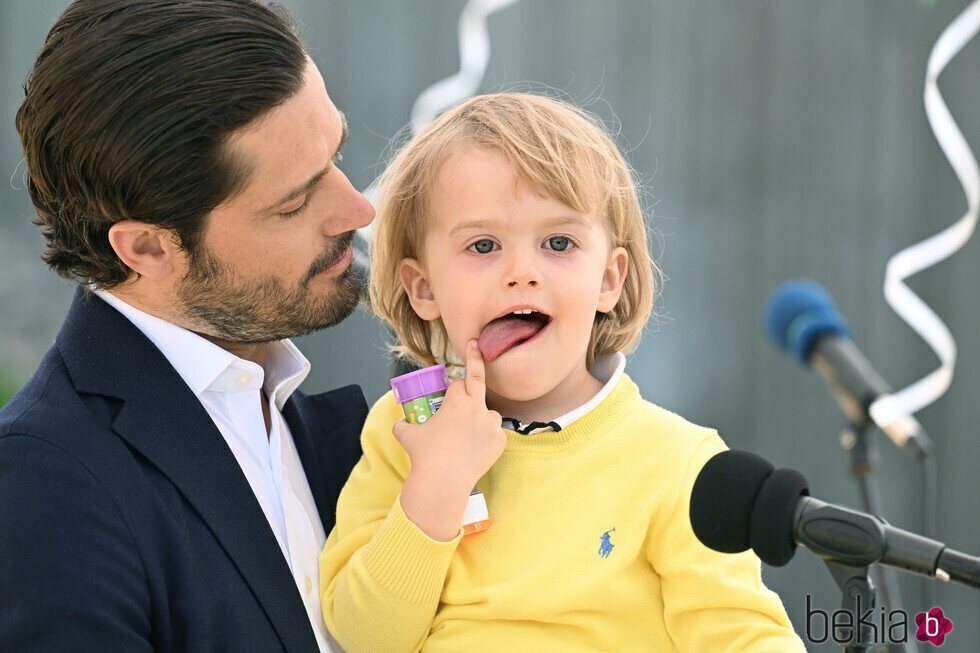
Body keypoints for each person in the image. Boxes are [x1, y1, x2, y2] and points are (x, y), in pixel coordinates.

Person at [319, 93, 807, 651]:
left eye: (558, 243)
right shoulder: (405, 433)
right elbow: (364, 636)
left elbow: (744, 636)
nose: (522, 273)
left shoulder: (679, 463)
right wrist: (437, 482)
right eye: (483, 245)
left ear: (609, 279)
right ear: (423, 288)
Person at [0, 1, 374, 650]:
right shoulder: (45, 490)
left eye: (336, 154)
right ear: (147, 248)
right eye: (295, 200)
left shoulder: (330, 425)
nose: (357, 207)